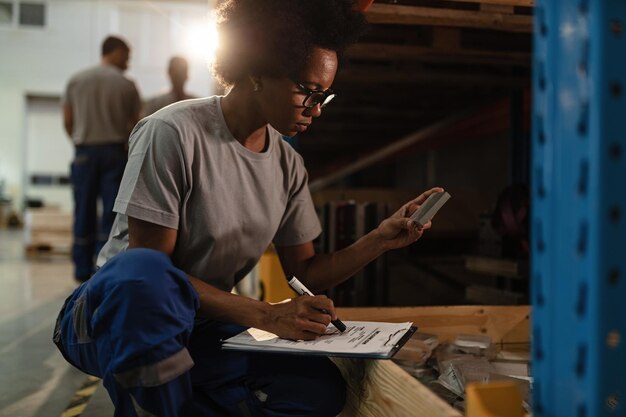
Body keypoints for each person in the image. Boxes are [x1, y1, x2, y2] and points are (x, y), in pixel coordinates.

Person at [53, 1, 443, 416]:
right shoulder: (172, 132)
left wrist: (379, 240)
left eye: (323, 97)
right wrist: (267, 316)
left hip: (199, 325)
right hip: (114, 317)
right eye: (306, 92)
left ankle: (176, 400)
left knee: (319, 390)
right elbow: (151, 271)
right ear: (257, 73)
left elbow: (304, 272)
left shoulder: (288, 165)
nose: (315, 109)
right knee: (145, 274)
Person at [62, 35, 141, 283]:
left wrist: (81, 139)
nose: (128, 61)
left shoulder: (77, 80)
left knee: (83, 210)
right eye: (126, 55)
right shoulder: (127, 85)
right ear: (115, 52)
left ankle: (80, 270)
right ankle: (103, 270)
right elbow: (135, 124)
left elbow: (67, 118)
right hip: (114, 153)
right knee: (112, 213)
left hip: (84, 151)